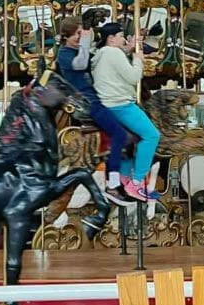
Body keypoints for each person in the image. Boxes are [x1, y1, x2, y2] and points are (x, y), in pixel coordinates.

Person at [56, 16, 129, 195]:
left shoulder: (80, 50)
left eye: (82, 33)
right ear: (66, 36)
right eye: (77, 34)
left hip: (96, 96)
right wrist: (86, 41)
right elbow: (80, 65)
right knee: (119, 133)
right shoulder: (64, 53)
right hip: (86, 102)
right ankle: (113, 182)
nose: (80, 37)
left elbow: (97, 60)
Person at [91, 22, 161, 202]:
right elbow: (133, 77)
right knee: (152, 135)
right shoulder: (113, 53)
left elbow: (115, 67)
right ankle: (137, 182)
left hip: (107, 104)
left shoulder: (101, 54)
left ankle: (124, 176)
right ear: (111, 38)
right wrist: (138, 59)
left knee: (130, 140)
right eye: (121, 35)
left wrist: (128, 51)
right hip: (121, 104)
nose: (124, 38)